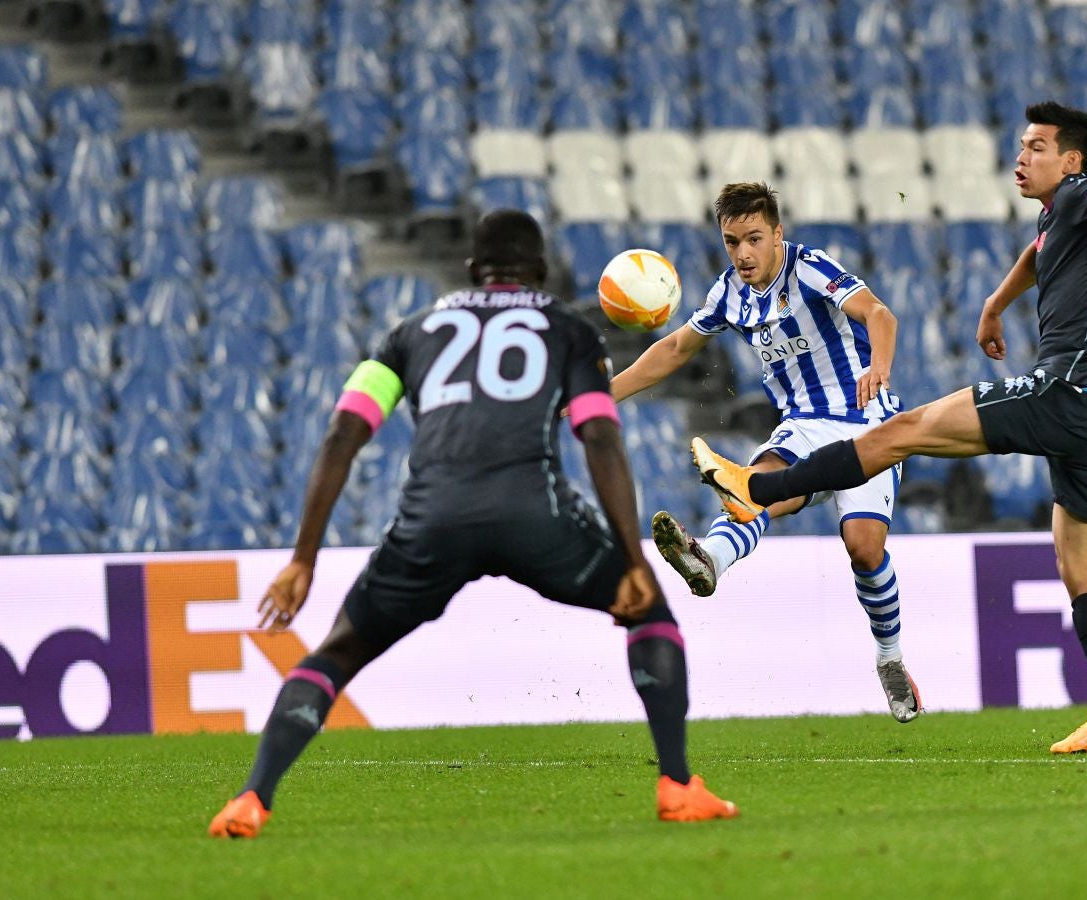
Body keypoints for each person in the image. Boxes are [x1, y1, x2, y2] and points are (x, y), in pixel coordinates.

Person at [691, 103, 1087, 754]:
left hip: (1065, 390)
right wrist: (995, 305)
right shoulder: (1061, 216)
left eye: (1037, 146)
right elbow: (1037, 255)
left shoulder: (1086, 194)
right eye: (1021, 145)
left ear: (1073, 161)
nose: (1022, 156)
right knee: (1077, 560)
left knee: (904, 428)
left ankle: (763, 490)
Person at [208, 210, 737, 837]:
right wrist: (632, 559)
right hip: (534, 514)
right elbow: (598, 437)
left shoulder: (412, 332)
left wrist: (303, 559)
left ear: (471, 270)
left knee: (338, 652)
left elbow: (342, 435)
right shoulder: (568, 331)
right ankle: (676, 786)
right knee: (648, 615)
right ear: (540, 270)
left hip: (433, 518)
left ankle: (251, 799)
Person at [610, 182, 922, 723]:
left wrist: (881, 368)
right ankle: (709, 559)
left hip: (868, 421)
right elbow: (676, 348)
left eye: (754, 238)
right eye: (732, 242)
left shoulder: (810, 267)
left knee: (864, 548)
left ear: (778, 235)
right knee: (751, 485)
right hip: (802, 424)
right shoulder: (728, 292)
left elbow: (881, 316)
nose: (743, 253)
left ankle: (890, 657)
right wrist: (601, 396)